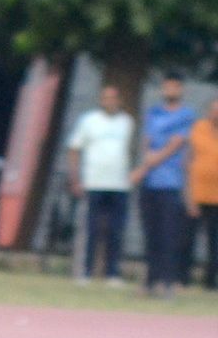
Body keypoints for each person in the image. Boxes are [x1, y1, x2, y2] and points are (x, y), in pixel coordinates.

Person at [132, 73, 194, 298]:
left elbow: (176, 144)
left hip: (170, 183)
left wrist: (148, 164)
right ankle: (150, 281)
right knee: (151, 235)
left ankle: (168, 282)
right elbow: (148, 142)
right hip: (150, 182)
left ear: (180, 90)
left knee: (169, 235)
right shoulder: (154, 113)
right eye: (166, 87)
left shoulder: (186, 115)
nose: (170, 91)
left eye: (174, 87)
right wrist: (147, 165)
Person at [66, 84, 135, 285]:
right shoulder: (89, 121)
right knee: (91, 229)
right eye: (106, 98)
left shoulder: (127, 122)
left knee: (116, 230)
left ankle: (112, 273)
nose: (109, 102)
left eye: (113, 98)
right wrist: (75, 178)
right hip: (94, 182)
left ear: (119, 101)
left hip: (119, 184)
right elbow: (74, 148)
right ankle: (86, 271)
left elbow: (128, 150)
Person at [187, 96, 218, 290]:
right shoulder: (198, 128)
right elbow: (188, 159)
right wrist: (188, 195)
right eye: (214, 110)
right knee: (187, 238)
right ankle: (182, 278)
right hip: (197, 194)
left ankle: (210, 281)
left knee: (214, 242)